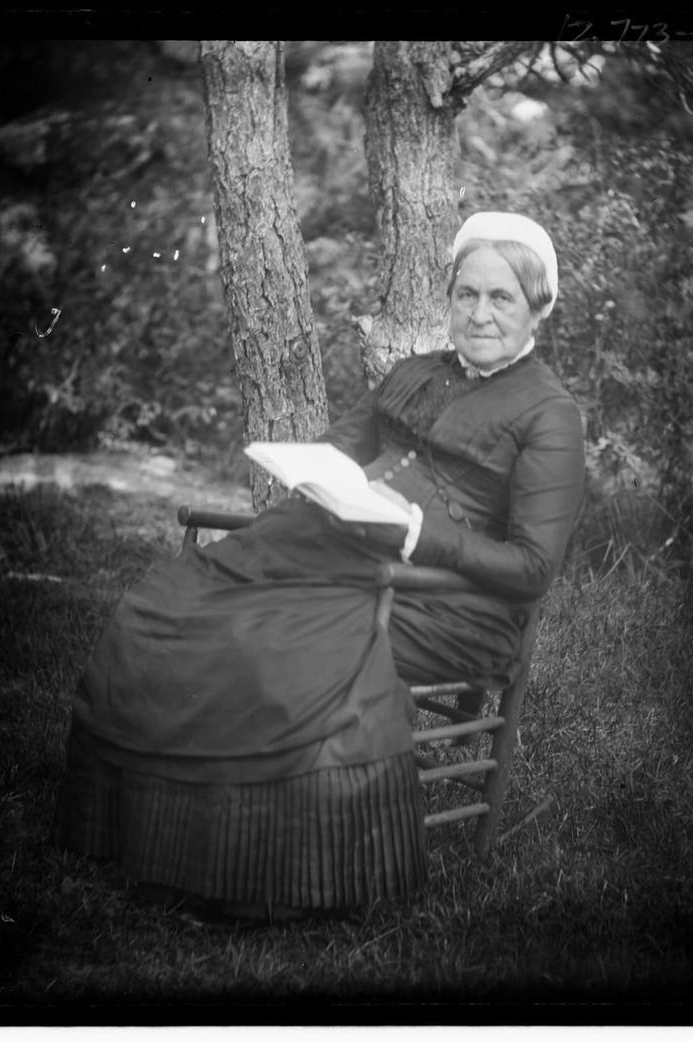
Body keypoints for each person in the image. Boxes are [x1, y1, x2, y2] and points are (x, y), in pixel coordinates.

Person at [52, 212, 585, 918]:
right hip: (333, 548)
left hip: (444, 600)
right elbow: (340, 447)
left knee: (268, 644)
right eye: (467, 294)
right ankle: (156, 834)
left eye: (501, 298)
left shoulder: (550, 414)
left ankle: (261, 868)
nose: (479, 314)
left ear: (537, 308)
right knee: (166, 608)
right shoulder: (416, 371)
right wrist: (310, 470)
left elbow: (532, 568)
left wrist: (417, 530)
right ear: (450, 296)